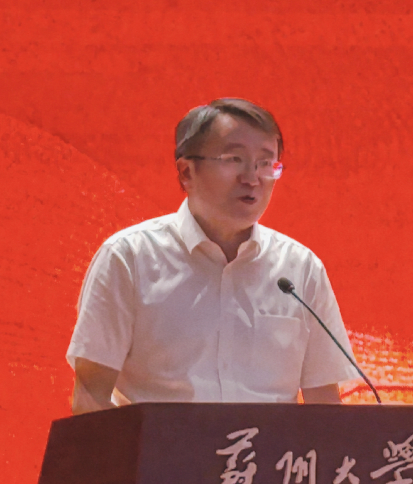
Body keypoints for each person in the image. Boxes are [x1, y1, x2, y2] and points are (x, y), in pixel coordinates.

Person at [67, 98, 359, 414]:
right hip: (161, 446)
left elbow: (324, 404)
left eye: (266, 163)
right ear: (186, 172)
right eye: (233, 159)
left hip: (271, 448)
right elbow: (90, 394)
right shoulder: (128, 259)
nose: (252, 178)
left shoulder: (301, 269)